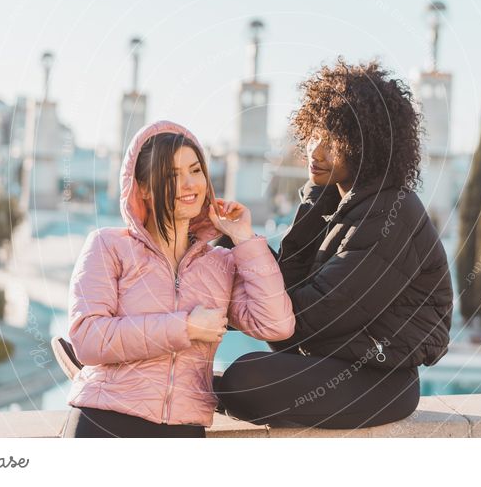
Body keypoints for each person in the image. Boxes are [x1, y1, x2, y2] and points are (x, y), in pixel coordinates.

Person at [214, 58, 454, 429]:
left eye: (333, 140)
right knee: (219, 249)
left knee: (243, 380)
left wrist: (229, 301)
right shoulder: (332, 202)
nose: (316, 151)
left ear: (366, 145)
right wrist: (225, 243)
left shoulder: (391, 212)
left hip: (381, 379)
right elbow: (286, 281)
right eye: (314, 134)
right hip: (328, 361)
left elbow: (309, 318)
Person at [61, 120, 295, 438]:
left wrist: (244, 239)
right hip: (103, 420)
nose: (189, 184)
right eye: (172, 176)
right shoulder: (107, 245)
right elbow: (88, 339)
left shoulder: (222, 264)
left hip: (183, 430)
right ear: (141, 188)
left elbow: (276, 325)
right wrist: (185, 327)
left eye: (195, 170)